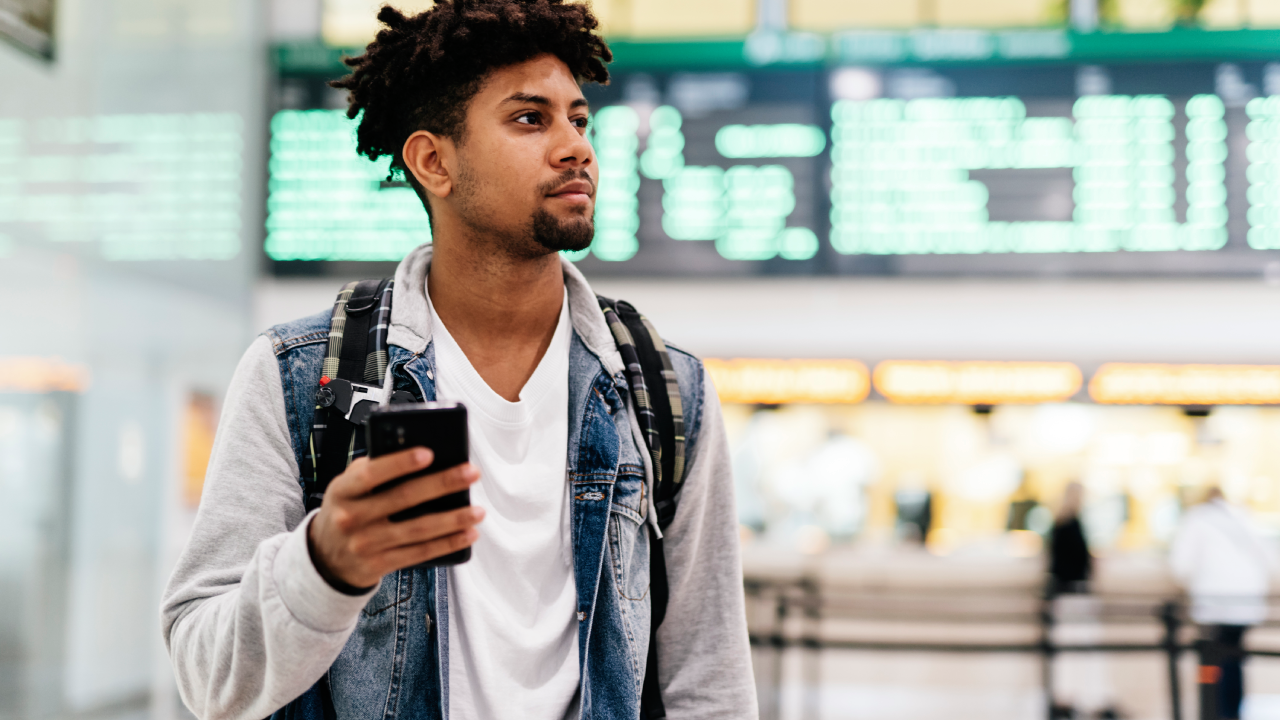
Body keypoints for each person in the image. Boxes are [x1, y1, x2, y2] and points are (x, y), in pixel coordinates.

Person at [159, 2, 757, 719]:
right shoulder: (298, 376)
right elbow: (206, 675)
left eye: (579, 119)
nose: (576, 147)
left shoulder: (663, 391)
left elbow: (710, 682)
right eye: (530, 119)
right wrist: (323, 565)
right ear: (434, 162)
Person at [1171, 487, 1277, 720]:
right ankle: (1233, 711)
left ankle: (1211, 709)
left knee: (1210, 661)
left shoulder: (1196, 518)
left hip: (1213, 606)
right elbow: (1271, 560)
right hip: (1246, 605)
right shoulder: (1244, 517)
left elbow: (1180, 566)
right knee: (1234, 659)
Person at [1046, 482, 1118, 720]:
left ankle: (1074, 699)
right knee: (1080, 649)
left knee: (1075, 650)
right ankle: (1077, 700)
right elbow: (1070, 563)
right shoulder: (1069, 525)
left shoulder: (1064, 524)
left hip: (1068, 595)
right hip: (1073, 594)